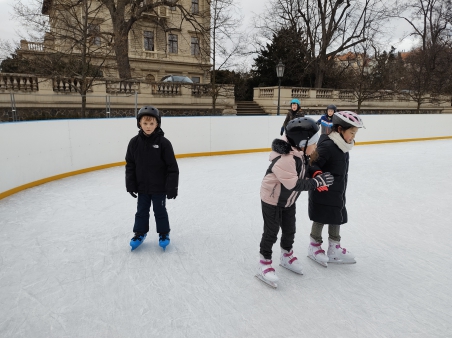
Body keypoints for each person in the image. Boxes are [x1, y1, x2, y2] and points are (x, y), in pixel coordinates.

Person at [257, 117, 334, 287]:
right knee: (271, 232)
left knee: (290, 229)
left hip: (288, 201)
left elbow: (305, 168)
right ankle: (264, 262)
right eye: (313, 143)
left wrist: (315, 174)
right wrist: (317, 183)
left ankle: (286, 255)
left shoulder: (299, 152)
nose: (315, 147)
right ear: (302, 142)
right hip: (272, 200)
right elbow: (293, 184)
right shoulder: (286, 159)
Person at [307, 111, 365, 267]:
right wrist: (318, 177)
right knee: (320, 217)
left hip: (337, 191)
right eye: (351, 132)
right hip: (322, 190)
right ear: (340, 129)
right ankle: (314, 246)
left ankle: (334, 248)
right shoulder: (328, 145)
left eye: (355, 133)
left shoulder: (343, 146)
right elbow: (312, 164)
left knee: (336, 216)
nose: (353, 136)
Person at [125, 106, 179, 251]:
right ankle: (139, 233)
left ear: (157, 124)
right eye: (145, 123)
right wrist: (130, 185)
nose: (148, 126)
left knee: (160, 211)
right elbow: (130, 165)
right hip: (142, 187)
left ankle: (164, 233)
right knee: (141, 211)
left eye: (151, 123)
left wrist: (172, 187)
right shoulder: (134, 143)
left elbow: (172, 167)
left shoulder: (164, 143)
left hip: (159, 187)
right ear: (139, 124)